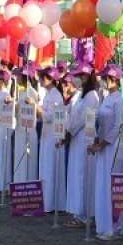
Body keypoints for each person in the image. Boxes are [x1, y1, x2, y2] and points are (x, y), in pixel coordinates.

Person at [91, 64, 123, 239]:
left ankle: (115, 226)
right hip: (103, 146)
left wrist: (104, 143)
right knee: (103, 183)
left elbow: (118, 126)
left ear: (112, 79)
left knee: (112, 185)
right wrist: (97, 138)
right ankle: (103, 223)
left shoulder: (119, 99)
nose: (103, 81)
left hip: (114, 147)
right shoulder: (106, 97)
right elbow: (101, 122)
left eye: (105, 77)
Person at [64, 68, 98, 226]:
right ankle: (76, 211)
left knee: (82, 175)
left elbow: (84, 118)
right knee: (76, 173)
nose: (76, 79)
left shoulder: (92, 96)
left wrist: (70, 132)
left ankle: (83, 214)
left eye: (78, 76)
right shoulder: (82, 95)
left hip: (84, 137)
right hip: (76, 138)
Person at [38, 67, 67, 213]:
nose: (41, 80)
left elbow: (51, 116)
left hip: (53, 135)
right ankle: (45, 200)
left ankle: (51, 202)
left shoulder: (56, 96)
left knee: (50, 167)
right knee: (45, 166)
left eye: (43, 77)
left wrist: (37, 109)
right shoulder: (48, 94)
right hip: (46, 134)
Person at [12, 66, 40, 183]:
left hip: (28, 131)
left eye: (18, 75)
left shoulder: (31, 93)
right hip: (20, 129)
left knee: (27, 161)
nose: (16, 78)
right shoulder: (23, 93)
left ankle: (26, 184)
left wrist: (15, 105)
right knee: (20, 159)